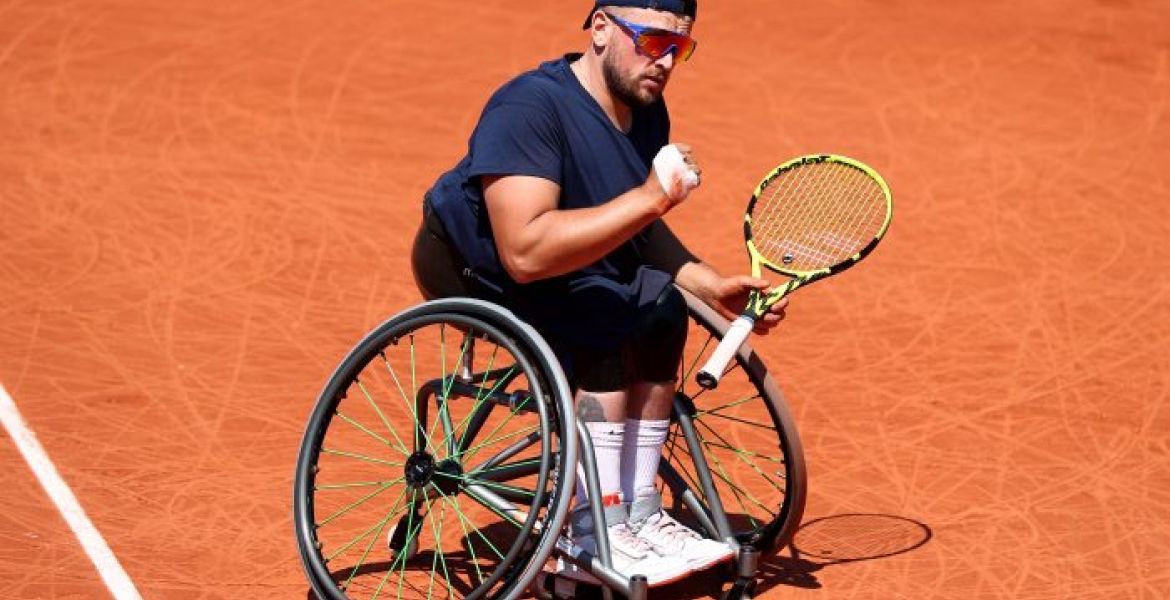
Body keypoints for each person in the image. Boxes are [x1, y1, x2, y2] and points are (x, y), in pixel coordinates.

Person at [411, 0, 788, 589]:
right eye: (651, 40)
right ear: (602, 28)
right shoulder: (528, 108)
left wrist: (709, 284)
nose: (664, 61)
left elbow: (636, 222)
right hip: (472, 265)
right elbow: (526, 252)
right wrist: (651, 198)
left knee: (662, 309)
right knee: (603, 320)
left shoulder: (645, 108)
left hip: (566, 262)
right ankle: (590, 518)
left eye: (678, 48)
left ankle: (636, 508)